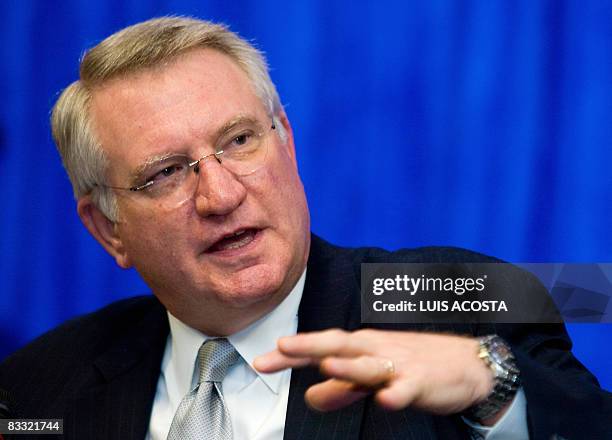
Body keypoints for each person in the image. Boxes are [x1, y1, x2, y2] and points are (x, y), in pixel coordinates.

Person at [0, 16, 609, 440]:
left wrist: (491, 384)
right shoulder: (38, 388)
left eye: (238, 141)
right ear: (109, 231)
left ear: (285, 143)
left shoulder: (455, 294)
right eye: (164, 174)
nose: (220, 195)